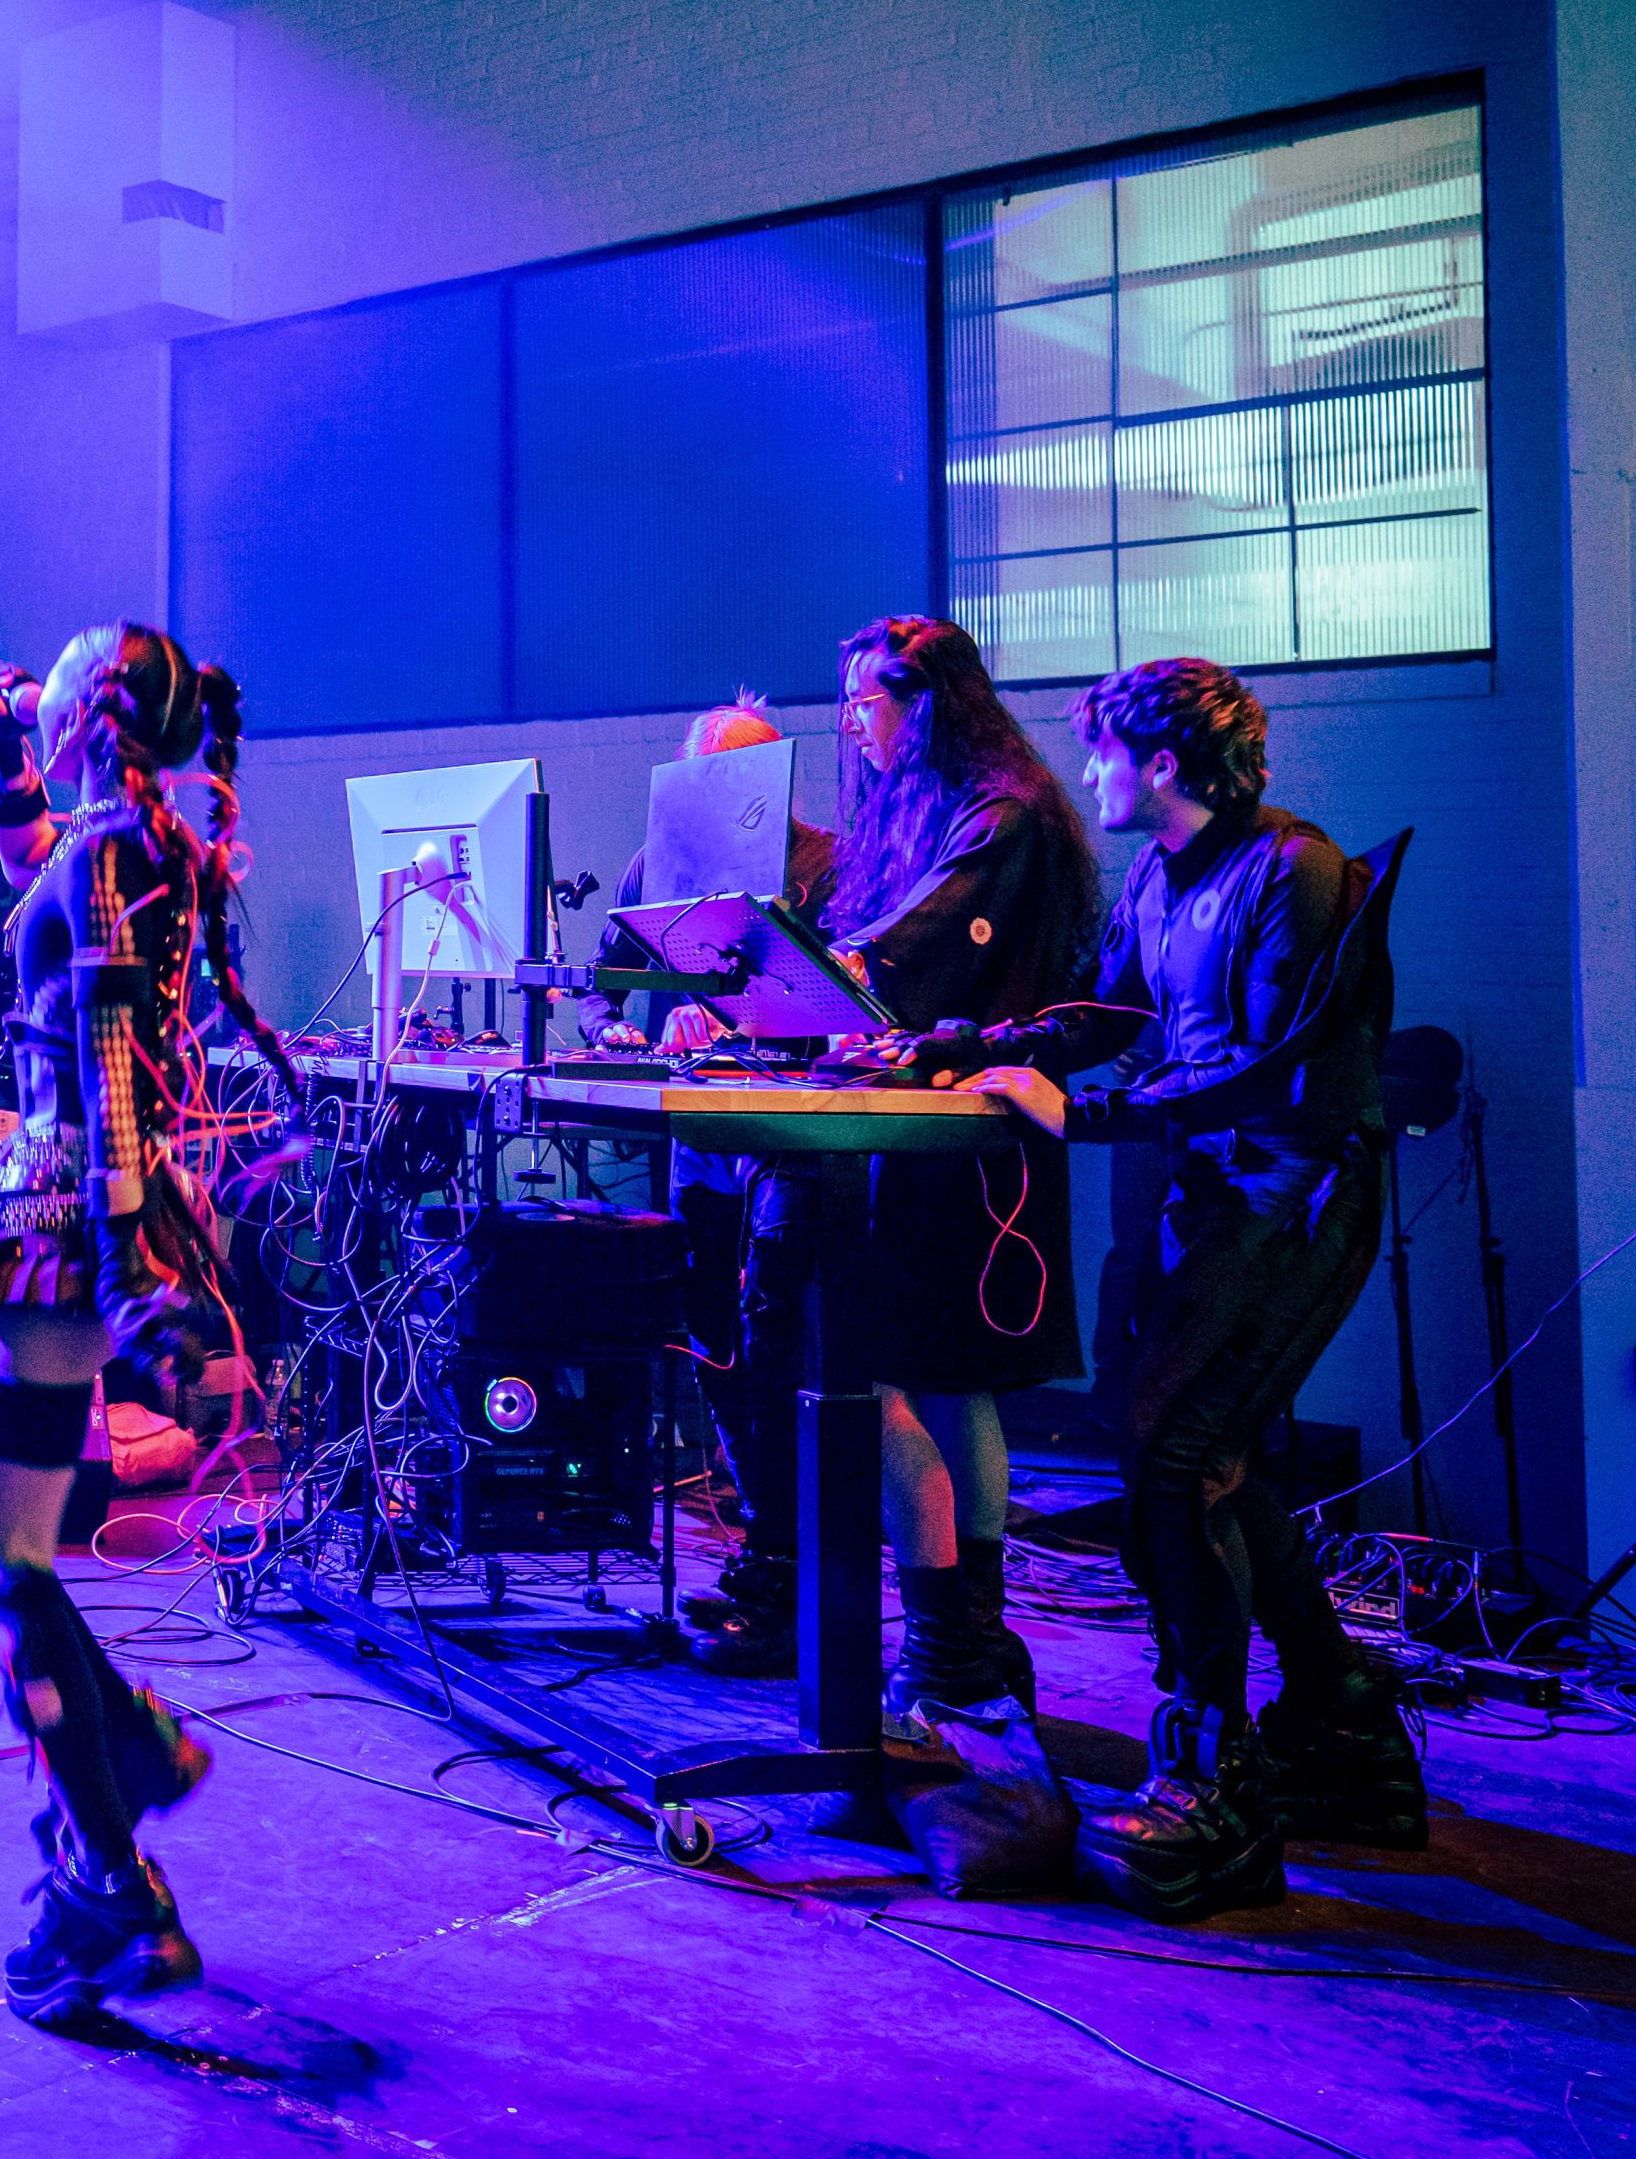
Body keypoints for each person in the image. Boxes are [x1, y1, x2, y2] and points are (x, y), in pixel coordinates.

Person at [947, 657, 1417, 1920]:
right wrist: (977, 1047)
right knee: (1203, 1459)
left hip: (1292, 1197)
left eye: (1099, 752)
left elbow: (1266, 1076)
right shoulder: (1160, 875)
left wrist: (1074, 1111)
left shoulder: (1291, 872)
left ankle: (1214, 1778)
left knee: (1173, 1458)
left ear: (1159, 763)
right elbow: (1109, 1011)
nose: (1084, 772)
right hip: (1203, 1201)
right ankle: (1340, 1718)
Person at [0, 619, 302, 2027]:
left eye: (49, 703)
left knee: (11, 1561)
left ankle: (105, 1868)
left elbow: (103, 1073)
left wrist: (128, 1263)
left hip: (59, 1232)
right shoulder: (124, 841)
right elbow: (29, 857)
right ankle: (132, 1750)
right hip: (70, 1228)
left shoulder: (104, 858)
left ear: (91, 718)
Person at [823, 612, 1102, 1739]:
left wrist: (788, 981)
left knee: (890, 1374)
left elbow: (898, 950)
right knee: (940, 1381)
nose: (851, 725)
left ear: (923, 700)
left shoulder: (1002, 816)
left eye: (866, 702)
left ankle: (947, 1647)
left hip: (964, 1148)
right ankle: (966, 1646)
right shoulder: (947, 807)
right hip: (954, 1138)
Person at [602, 697, 837, 1676]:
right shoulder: (661, 861)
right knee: (715, 1346)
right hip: (701, 1138)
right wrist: (635, 1027)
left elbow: (850, 1003)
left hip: (792, 1144)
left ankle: (797, 1569)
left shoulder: (832, 866)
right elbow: (611, 981)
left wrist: (751, 1027)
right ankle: (763, 1548)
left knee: (779, 1349)